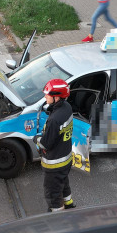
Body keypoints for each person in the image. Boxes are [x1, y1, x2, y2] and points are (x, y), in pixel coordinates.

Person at [36, 79, 76, 212]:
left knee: (53, 193)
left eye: (47, 94)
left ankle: (58, 218)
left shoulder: (54, 119)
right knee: (63, 183)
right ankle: (69, 205)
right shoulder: (67, 108)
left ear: (57, 97)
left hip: (54, 164)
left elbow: (45, 144)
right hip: (65, 159)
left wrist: (36, 138)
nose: (45, 96)